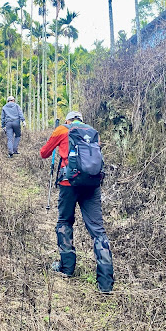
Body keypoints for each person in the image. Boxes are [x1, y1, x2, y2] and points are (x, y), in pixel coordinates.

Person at [40, 110, 114, 294]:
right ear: (82, 120)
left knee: (65, 222)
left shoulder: (62, 129)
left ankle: (67, 268)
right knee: (98, 230)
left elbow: (44, 153)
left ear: (68, 119)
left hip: (69, 183)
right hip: (92, 184)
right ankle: (106, 283)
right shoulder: (93, 132)